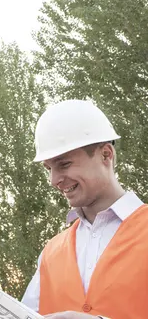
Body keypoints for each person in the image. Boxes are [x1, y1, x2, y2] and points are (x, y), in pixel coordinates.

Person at [21, 99, 148, 319]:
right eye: (49, 168)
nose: (53, 180)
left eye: (64, 164)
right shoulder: (51, 253)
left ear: (106, 155)